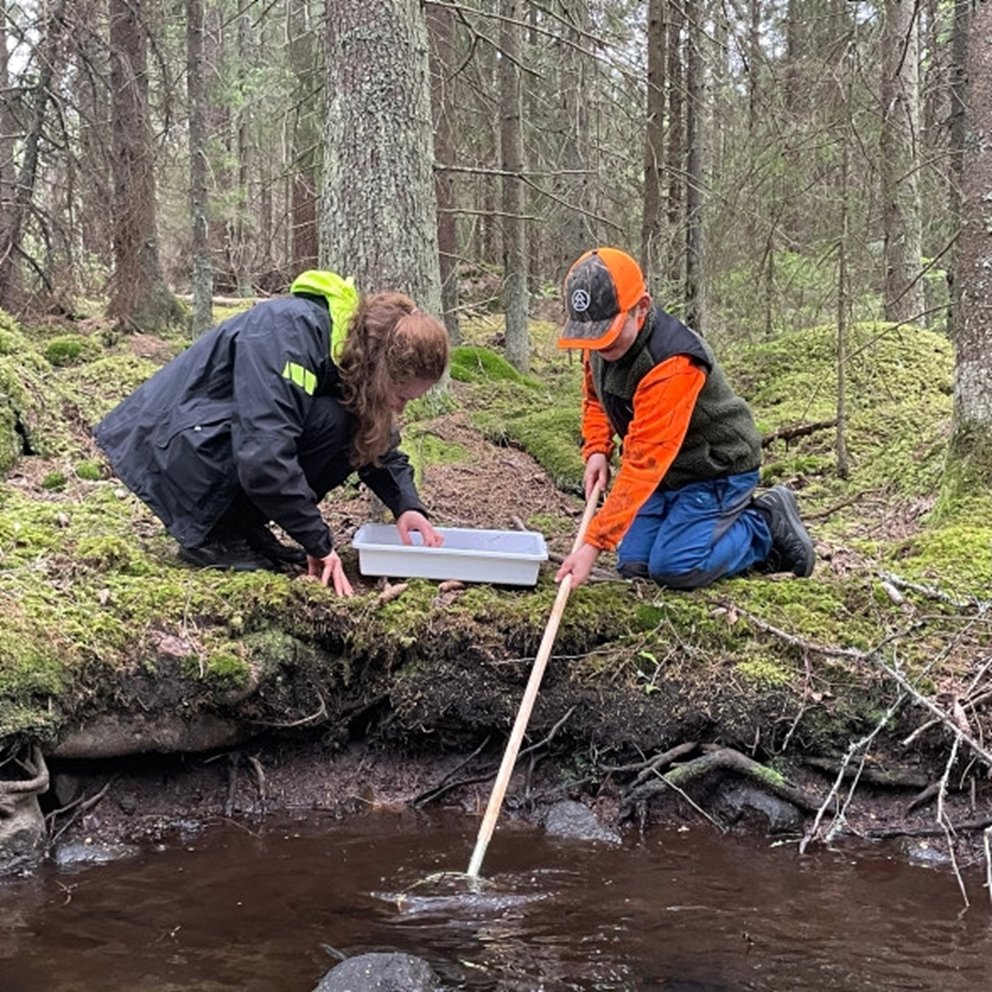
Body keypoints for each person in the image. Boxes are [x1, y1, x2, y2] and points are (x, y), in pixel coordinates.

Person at [94, 270, 449, 597]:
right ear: (384, 369)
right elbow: (264, 453)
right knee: (334, 421)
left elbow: (376, 442)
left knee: (347, 421)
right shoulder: (290, 332)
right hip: (173, 448)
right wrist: (319, 542)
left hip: (211, 444)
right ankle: (210, 532)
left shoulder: (352, 357)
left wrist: (406, 505)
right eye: (401, 396)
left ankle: (240, 528)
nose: (400, 408)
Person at [554, 246, 814, 590]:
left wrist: (592, 543)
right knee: (634, 565)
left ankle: (763, 524)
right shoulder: (599, 343)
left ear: (641, 308)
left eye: (609, 333)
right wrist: (597, 449)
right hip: (668, 475)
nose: (600, 346)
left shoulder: (672, 363)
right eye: (592, 336)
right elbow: (595, 398)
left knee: (675, 568)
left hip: (714, 469)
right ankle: (687, 524)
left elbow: (644, 461)